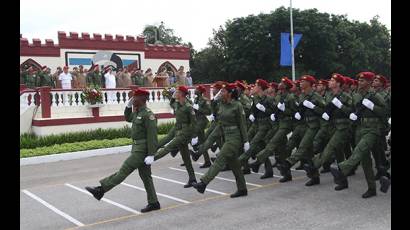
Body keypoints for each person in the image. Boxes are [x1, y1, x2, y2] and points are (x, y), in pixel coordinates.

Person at [85, 88, 161, 213]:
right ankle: (154, 202)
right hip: (136, 148)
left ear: (142, 99)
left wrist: (152, 154)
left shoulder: (148, 115)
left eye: (135, 97)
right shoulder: (138, 112)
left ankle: (101, 190)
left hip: (141, 151)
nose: (133, 99)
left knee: (124, 170)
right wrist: (128, 106)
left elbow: (152, 136)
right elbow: (128, 118)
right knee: (146, 177)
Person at [329, 72, 390, 198]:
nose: (360, 82)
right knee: (365, 160)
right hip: (359, 128)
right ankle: (372, 188)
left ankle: (342, 168)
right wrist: (351, 115)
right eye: (359, 80)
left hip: (372, 129)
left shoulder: (376, 96)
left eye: (362, 80)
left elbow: (385, 112)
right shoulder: (356, 96)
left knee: (359, 149)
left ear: (369, 82)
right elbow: (351, 110)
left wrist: (372, 107)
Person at [193, 83, 249, 198]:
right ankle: (242, 189)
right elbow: (216, 114)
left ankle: (203, 183)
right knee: (235, 165)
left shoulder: (237, 105)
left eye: (223, 91)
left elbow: (242, 124)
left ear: (230, 94)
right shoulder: (222, 104)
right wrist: (214, 100)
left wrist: (246, 141)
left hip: (234, 137)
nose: (221, 93)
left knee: (220, 159)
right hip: (224, 133)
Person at [303, 73, 353, 188]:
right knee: (338, 153)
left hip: (343, 127)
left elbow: (351, 113)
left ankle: (313, 166)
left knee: (329, 148)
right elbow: (325, 110)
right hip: (331, 127)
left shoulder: (346, 97)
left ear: (338, 84)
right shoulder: (329, 96)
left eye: (332, 80)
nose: (329, 82)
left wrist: (341, 106)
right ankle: (343, 181)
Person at [277, 75, 326, 186]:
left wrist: (313, 107)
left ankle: (288, 163)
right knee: (308, 152)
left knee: (303, 146)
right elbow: (298, 110)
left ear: (309, 83)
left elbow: (325, 111)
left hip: (314, 125)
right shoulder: (302, 96)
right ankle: (315, 177)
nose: (300, 82)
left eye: (303, 81)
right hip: (304, 124)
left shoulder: (316, 96)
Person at [146, 86, 197, 188]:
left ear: (182, 94)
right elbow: (171, 103)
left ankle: (152, 159)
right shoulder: (177, 104)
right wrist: (173, 96)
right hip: (178, 130)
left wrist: (194, 136)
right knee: (186, 158)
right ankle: (192, 179)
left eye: (177, 92)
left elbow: (193, 123)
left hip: (184, 132)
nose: (175, 93)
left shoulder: (188, 107)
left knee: (169, 147)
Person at [190, 85, 212, 168]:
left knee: (193, 133)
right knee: (202, 141)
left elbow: (209, 111)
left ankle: (196, 147)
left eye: (197, 89)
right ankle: (207, 161)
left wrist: (198, 109)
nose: (195, 90)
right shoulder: (196, 99)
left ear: (200, 91)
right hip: (197, 120)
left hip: (202, 121)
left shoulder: (204, 100)